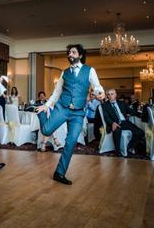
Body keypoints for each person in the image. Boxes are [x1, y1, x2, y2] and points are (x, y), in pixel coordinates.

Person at [36, 44, 105, 185]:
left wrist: (100, 93)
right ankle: (39, 113)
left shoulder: (89, 70)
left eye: (73, 52)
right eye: (69, 52)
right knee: (46, 130)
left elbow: (97, 86)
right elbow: (56, 92)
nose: (70, 54)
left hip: (78, 113)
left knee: (71, 142)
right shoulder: (64, 72)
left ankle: (59, 173)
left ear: (80, 55)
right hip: (62, 107)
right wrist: (46, 106)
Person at [95, 88, 144, 157]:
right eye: (108, 94)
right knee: (117, 130)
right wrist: (112, 123)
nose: (110, 96)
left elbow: (131, 111)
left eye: (112, 94)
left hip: (124, 122)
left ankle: (129, 147)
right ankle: (118, 151)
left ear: (115, 95)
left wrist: (141, 114)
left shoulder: (122, 103)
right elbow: (106, 117)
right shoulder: (105, 105)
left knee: (140, 132)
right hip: (114, 123)